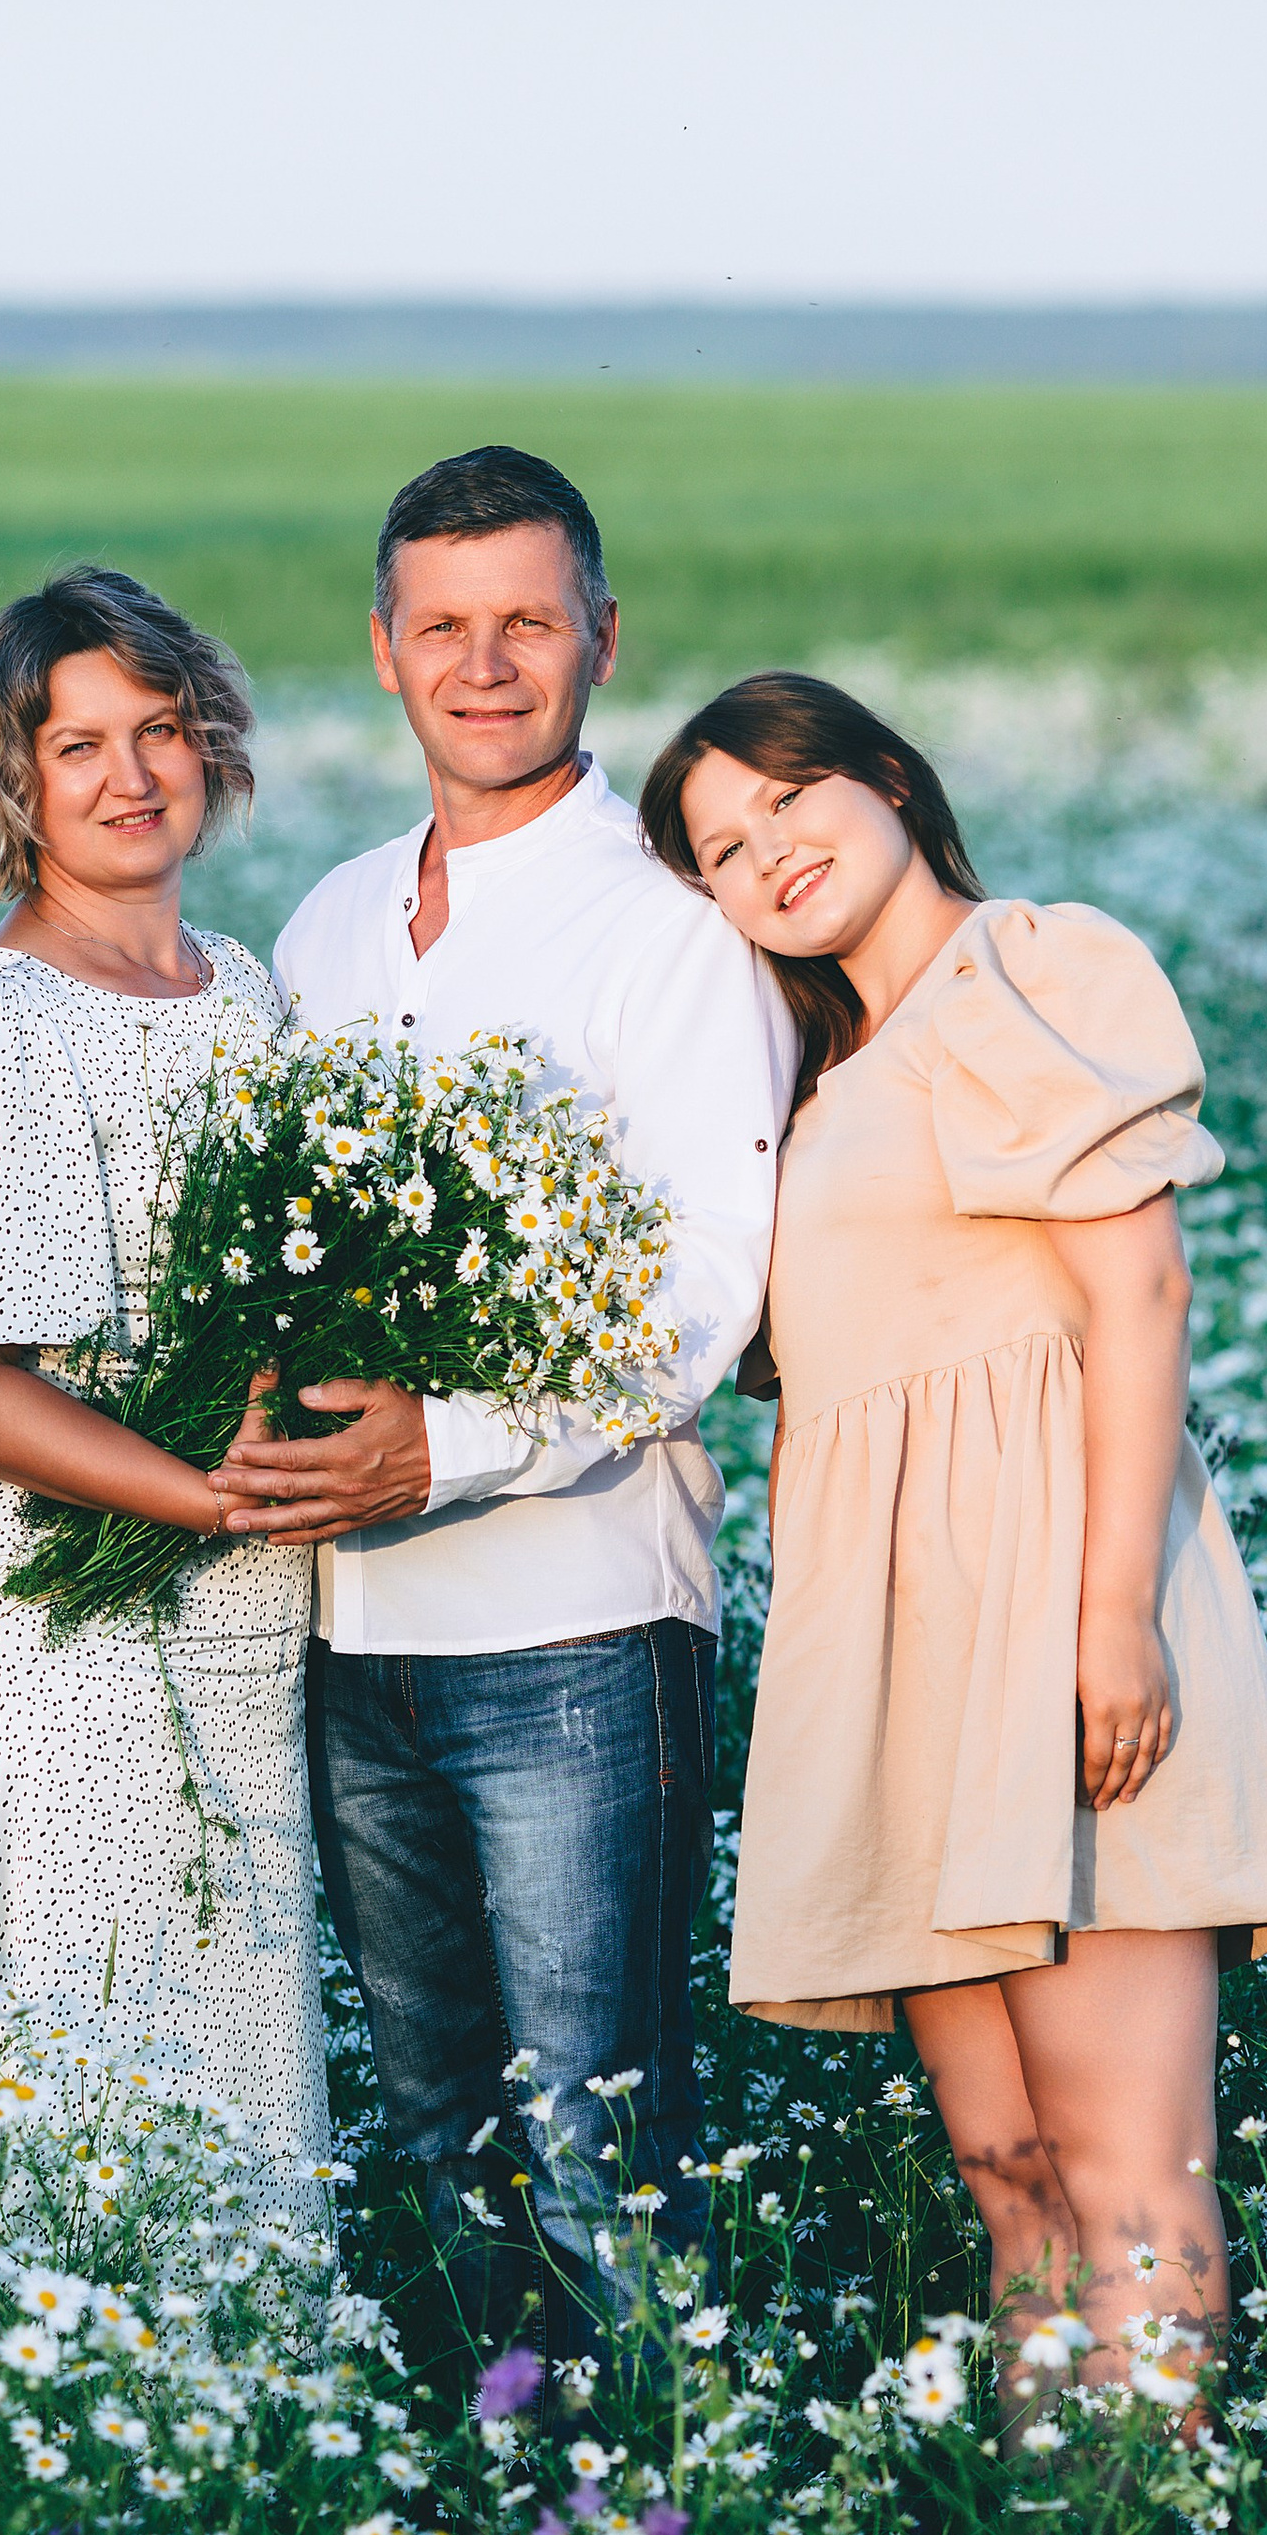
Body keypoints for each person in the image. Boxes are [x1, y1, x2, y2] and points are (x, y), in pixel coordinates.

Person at [642, 669, 1267, 2389]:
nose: (769, 853)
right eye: (724, 848)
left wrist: (1111, 1622)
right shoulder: (822, 1066)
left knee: (1124, 2185)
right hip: (907, 1661)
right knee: (1009, 2187)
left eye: (790, 799)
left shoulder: (1023, 967)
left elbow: (1141, 1285)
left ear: (886, 775)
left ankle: (1157, 2509)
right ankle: (1053, 2506)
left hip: (1061, 1615)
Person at [213, 450, 796, 2360]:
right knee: (438, 2133)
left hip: (574, 1628)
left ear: (602, 642)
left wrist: (442, 1444)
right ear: (384, 652)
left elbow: (699, 1301)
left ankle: (655, 2477)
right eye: (444, 626)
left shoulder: (672, 933)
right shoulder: (322, 928)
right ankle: (507, 2474)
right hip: (344, 1632)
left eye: (527, 622)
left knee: (600, 2137)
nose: (486, 665)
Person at [0, 568, 329, 2174]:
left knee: (235, 2054)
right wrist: (201, 1496)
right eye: (78, 747)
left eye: (163, 729)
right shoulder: (9, 1025)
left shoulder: (248, 989)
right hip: (62, 1625)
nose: (132, 777)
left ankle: (247, 2414)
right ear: (13, 783)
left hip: (244, 1616)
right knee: (86, 2058)